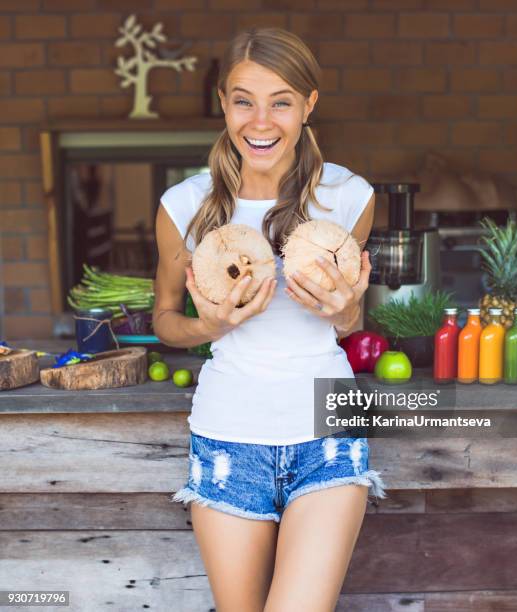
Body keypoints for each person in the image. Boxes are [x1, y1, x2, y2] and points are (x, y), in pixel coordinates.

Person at [153, 27, 386, 612]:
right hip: (230, 428)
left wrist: (346, 310)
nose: (261, 121)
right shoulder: (183, 206)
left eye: (281, 101)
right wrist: (210, 326)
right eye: (243, 100)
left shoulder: (349, 196)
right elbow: (164, 321)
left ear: (308, 104)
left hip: (327, 425)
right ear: (223, 103)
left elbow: (349, 324)